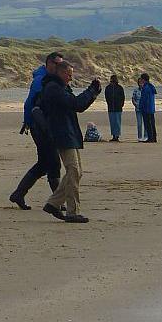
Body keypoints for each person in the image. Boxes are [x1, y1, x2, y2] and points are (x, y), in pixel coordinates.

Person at [41, 60, 100, 223]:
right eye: (69, 75)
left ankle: (53, 203)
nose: (70, 78)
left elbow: (78, 106)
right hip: (62, 134)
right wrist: (91, 91)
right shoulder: (53, 88)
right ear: (60, 72)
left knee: (76, 172)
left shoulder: (60, 87)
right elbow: (75, 103)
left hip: (69, 133)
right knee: (73, 171)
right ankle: (72, 211)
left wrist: (92, 93)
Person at [8, 51, 63, 210]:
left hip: (43, 126)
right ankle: (56, 201)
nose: (60, 67)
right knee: (52, 162)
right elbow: (35, 105)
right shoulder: (41, 81)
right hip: (40, 127)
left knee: (44, 163)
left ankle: (19, 194)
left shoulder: (49, 80)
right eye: (57, 64)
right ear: (49, 64)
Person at [104, 74, 125, 141]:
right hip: (111, 107)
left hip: (118, 107)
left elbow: (122, 97)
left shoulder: (119, 88)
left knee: (117, 122)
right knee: (112, 122)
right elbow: (106, 97)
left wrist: (121, 104)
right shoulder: (108, 88)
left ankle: (117, 135)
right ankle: (114, 135)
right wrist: (109, 104)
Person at [138, 73, 158, 143]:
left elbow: (144, 99)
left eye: (141, 79)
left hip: (146, 108)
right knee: (152, 123)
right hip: (151, 108)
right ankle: (154, 137)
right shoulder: (151, 86)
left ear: (143, 79)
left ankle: (151, 138)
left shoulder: (146, 87)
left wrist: (141, 107)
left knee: (148, 124)